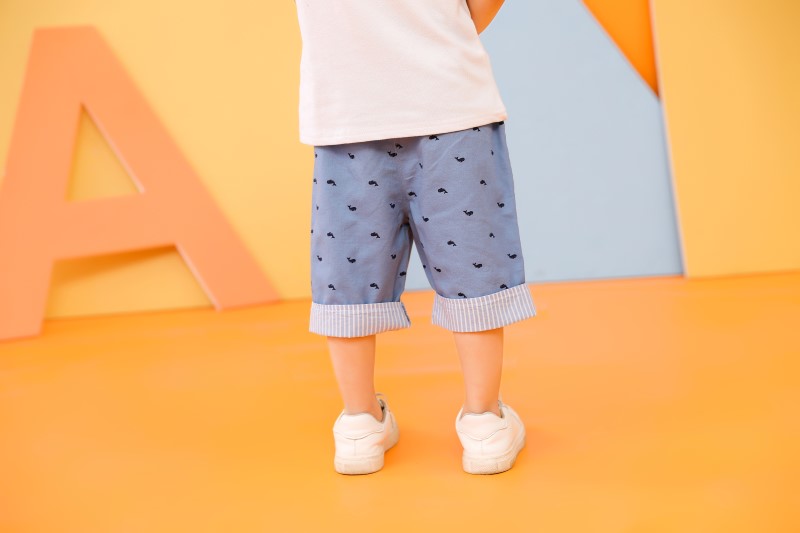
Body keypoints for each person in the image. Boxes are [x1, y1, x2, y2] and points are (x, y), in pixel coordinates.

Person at [295, 0, 536, 475]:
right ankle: (484, 421)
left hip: (348, 110)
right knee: (474, 263)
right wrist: (438, 30)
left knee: (348, 270)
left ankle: (360, 422)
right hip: (450, 101)